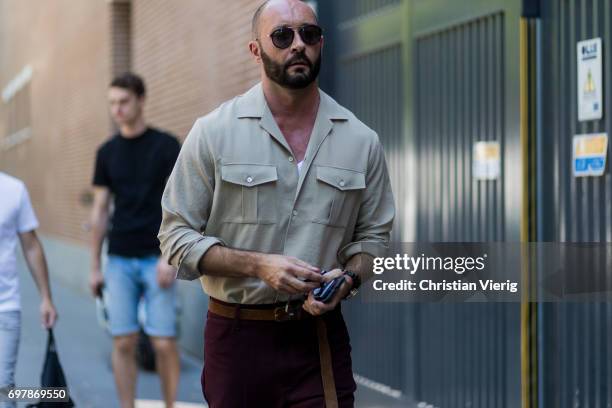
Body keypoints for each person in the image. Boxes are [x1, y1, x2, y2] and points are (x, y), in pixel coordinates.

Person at [159, 0, 395, 406]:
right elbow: (174, 237)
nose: (298, 45)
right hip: (237, 338)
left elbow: (374, 239)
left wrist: (349, 279)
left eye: (309, 34)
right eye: (282, 36)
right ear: (256, 50)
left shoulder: (361, 140)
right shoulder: (213, 133)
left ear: (322, 43)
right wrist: (258, 265)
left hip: (318, 339)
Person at [89, 73, 181, 408]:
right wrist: (94, 266)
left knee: (163, 343)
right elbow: (99, 211)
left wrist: (169, 256)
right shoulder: (106, 152)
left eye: (123, 102)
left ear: (141, 100)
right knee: (123, 341)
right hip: (119, 258)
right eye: (112, 103)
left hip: (156, 257)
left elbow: (181, 204)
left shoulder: (167, 146)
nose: (117, 109)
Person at [0, 172, 57, 408]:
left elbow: (31, 245)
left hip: (4, 307)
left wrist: (46, 297)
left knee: (4, 389)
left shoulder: (13, 189)